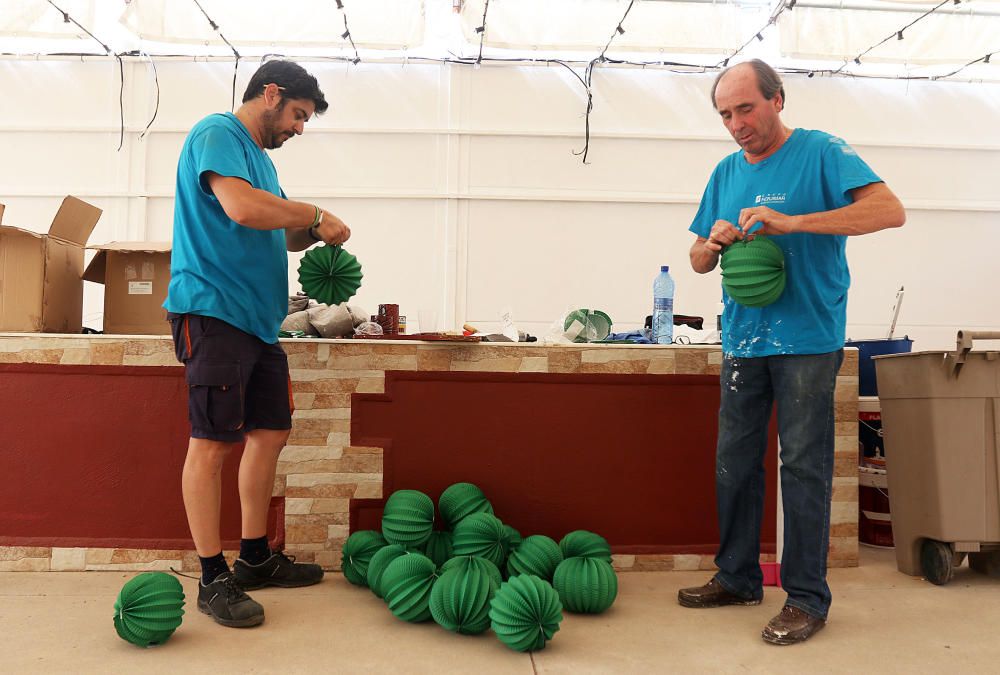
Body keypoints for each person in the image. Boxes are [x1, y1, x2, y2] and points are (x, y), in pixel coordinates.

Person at [679, 60, 905, 645]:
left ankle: (806, 599)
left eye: (745, 109)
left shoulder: (823, 152)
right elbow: (698, 262)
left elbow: (889, 210)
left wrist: (794, 222)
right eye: (725, 114)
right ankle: (736, 577)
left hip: (808, 338)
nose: (736, 124)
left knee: (804, 466)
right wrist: (714, 239)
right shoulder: (726, 171)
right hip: (743, 340)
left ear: (777, 100)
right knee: (734, 462)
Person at [164, 59, 351, 628]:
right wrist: (315, 212)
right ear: (270, 93)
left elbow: (283, 229)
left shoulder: (263, 165)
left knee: (269, 432)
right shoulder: (218, 133)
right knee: (213, 444)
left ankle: (253, 559)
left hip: (258, 320)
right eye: (297, 115)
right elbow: (242, 209)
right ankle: (212, 577)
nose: (299, 128)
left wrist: (316, 231)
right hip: (213, 310)